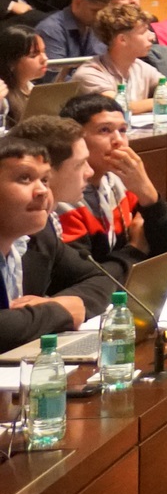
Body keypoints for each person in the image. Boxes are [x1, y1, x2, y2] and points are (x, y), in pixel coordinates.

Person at [0, 132, 115, 354]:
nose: (42, 190)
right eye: (24, 178)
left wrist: (59, 305)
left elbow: (101, 279)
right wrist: (59, 310)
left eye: (44, 180)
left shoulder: (39, 238)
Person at [50, 96, 167, 275]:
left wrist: (148, 194)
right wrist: (135, 249)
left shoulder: (120, 183)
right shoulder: (64, 200)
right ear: (76, 140)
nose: (118, 140)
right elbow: (86, 278)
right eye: (104, 130)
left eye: (122, 130)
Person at [72, 1, 167, 113]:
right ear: (122, 39)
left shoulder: (141, 67)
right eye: (143, 32)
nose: (152, 37)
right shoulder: (90, 74)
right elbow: (121, 107)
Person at [33, 0, 114, 69]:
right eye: (95, 11)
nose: (100, 16)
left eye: (104, 11)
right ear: (77, 3)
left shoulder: (96, 24)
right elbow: (55, 75)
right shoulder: (50, 30)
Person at [0, 27, 47, 131]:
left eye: (44, 51)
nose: (44, 58)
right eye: (34, 55)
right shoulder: (2, 96)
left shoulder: (32, 88)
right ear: (11, 62)